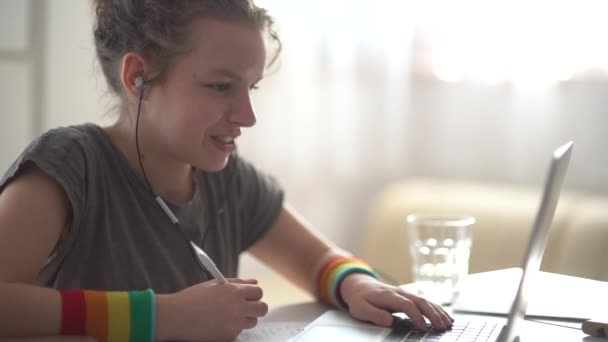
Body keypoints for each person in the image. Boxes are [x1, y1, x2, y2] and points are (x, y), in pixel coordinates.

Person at [0, 0, 453, 341]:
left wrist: (355, 284)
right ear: (138, 76)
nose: (247, 115)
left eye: (250, 87)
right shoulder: (72, 166)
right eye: (221, 86)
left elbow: (317, 259)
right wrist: (162, 317)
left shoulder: (228, 180)